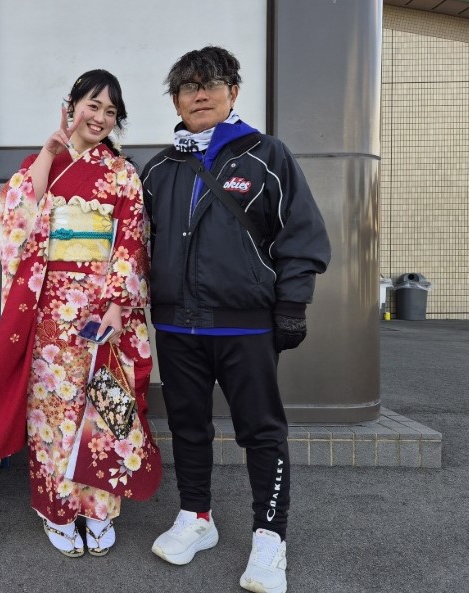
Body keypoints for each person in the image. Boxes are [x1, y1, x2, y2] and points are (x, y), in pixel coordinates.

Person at [141, 47, 331, 593]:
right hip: (176, 326)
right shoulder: (158, 169)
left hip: (245, 326)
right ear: (176, 100)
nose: (200, 95)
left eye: (212, 84)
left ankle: (270, 536)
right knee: (187, 426)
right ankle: (196, 517)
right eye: (188, 87)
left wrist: (292, 304)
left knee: (261, 432)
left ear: (233, 93)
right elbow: (134, 244)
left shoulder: (267, 155)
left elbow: (302, 233)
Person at [0, 69, 161, 558]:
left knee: (104, 407)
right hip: (50, 307)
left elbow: (130, 241)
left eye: (111, 111)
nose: (101, 117)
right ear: (71, 105)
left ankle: (99, 508)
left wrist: (117, 305)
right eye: (93, 105)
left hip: (103, 310)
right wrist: (48, 154)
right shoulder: (43, 162)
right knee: (53, 411)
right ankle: (56, 508)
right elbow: (17, 221)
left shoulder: (122, 174)